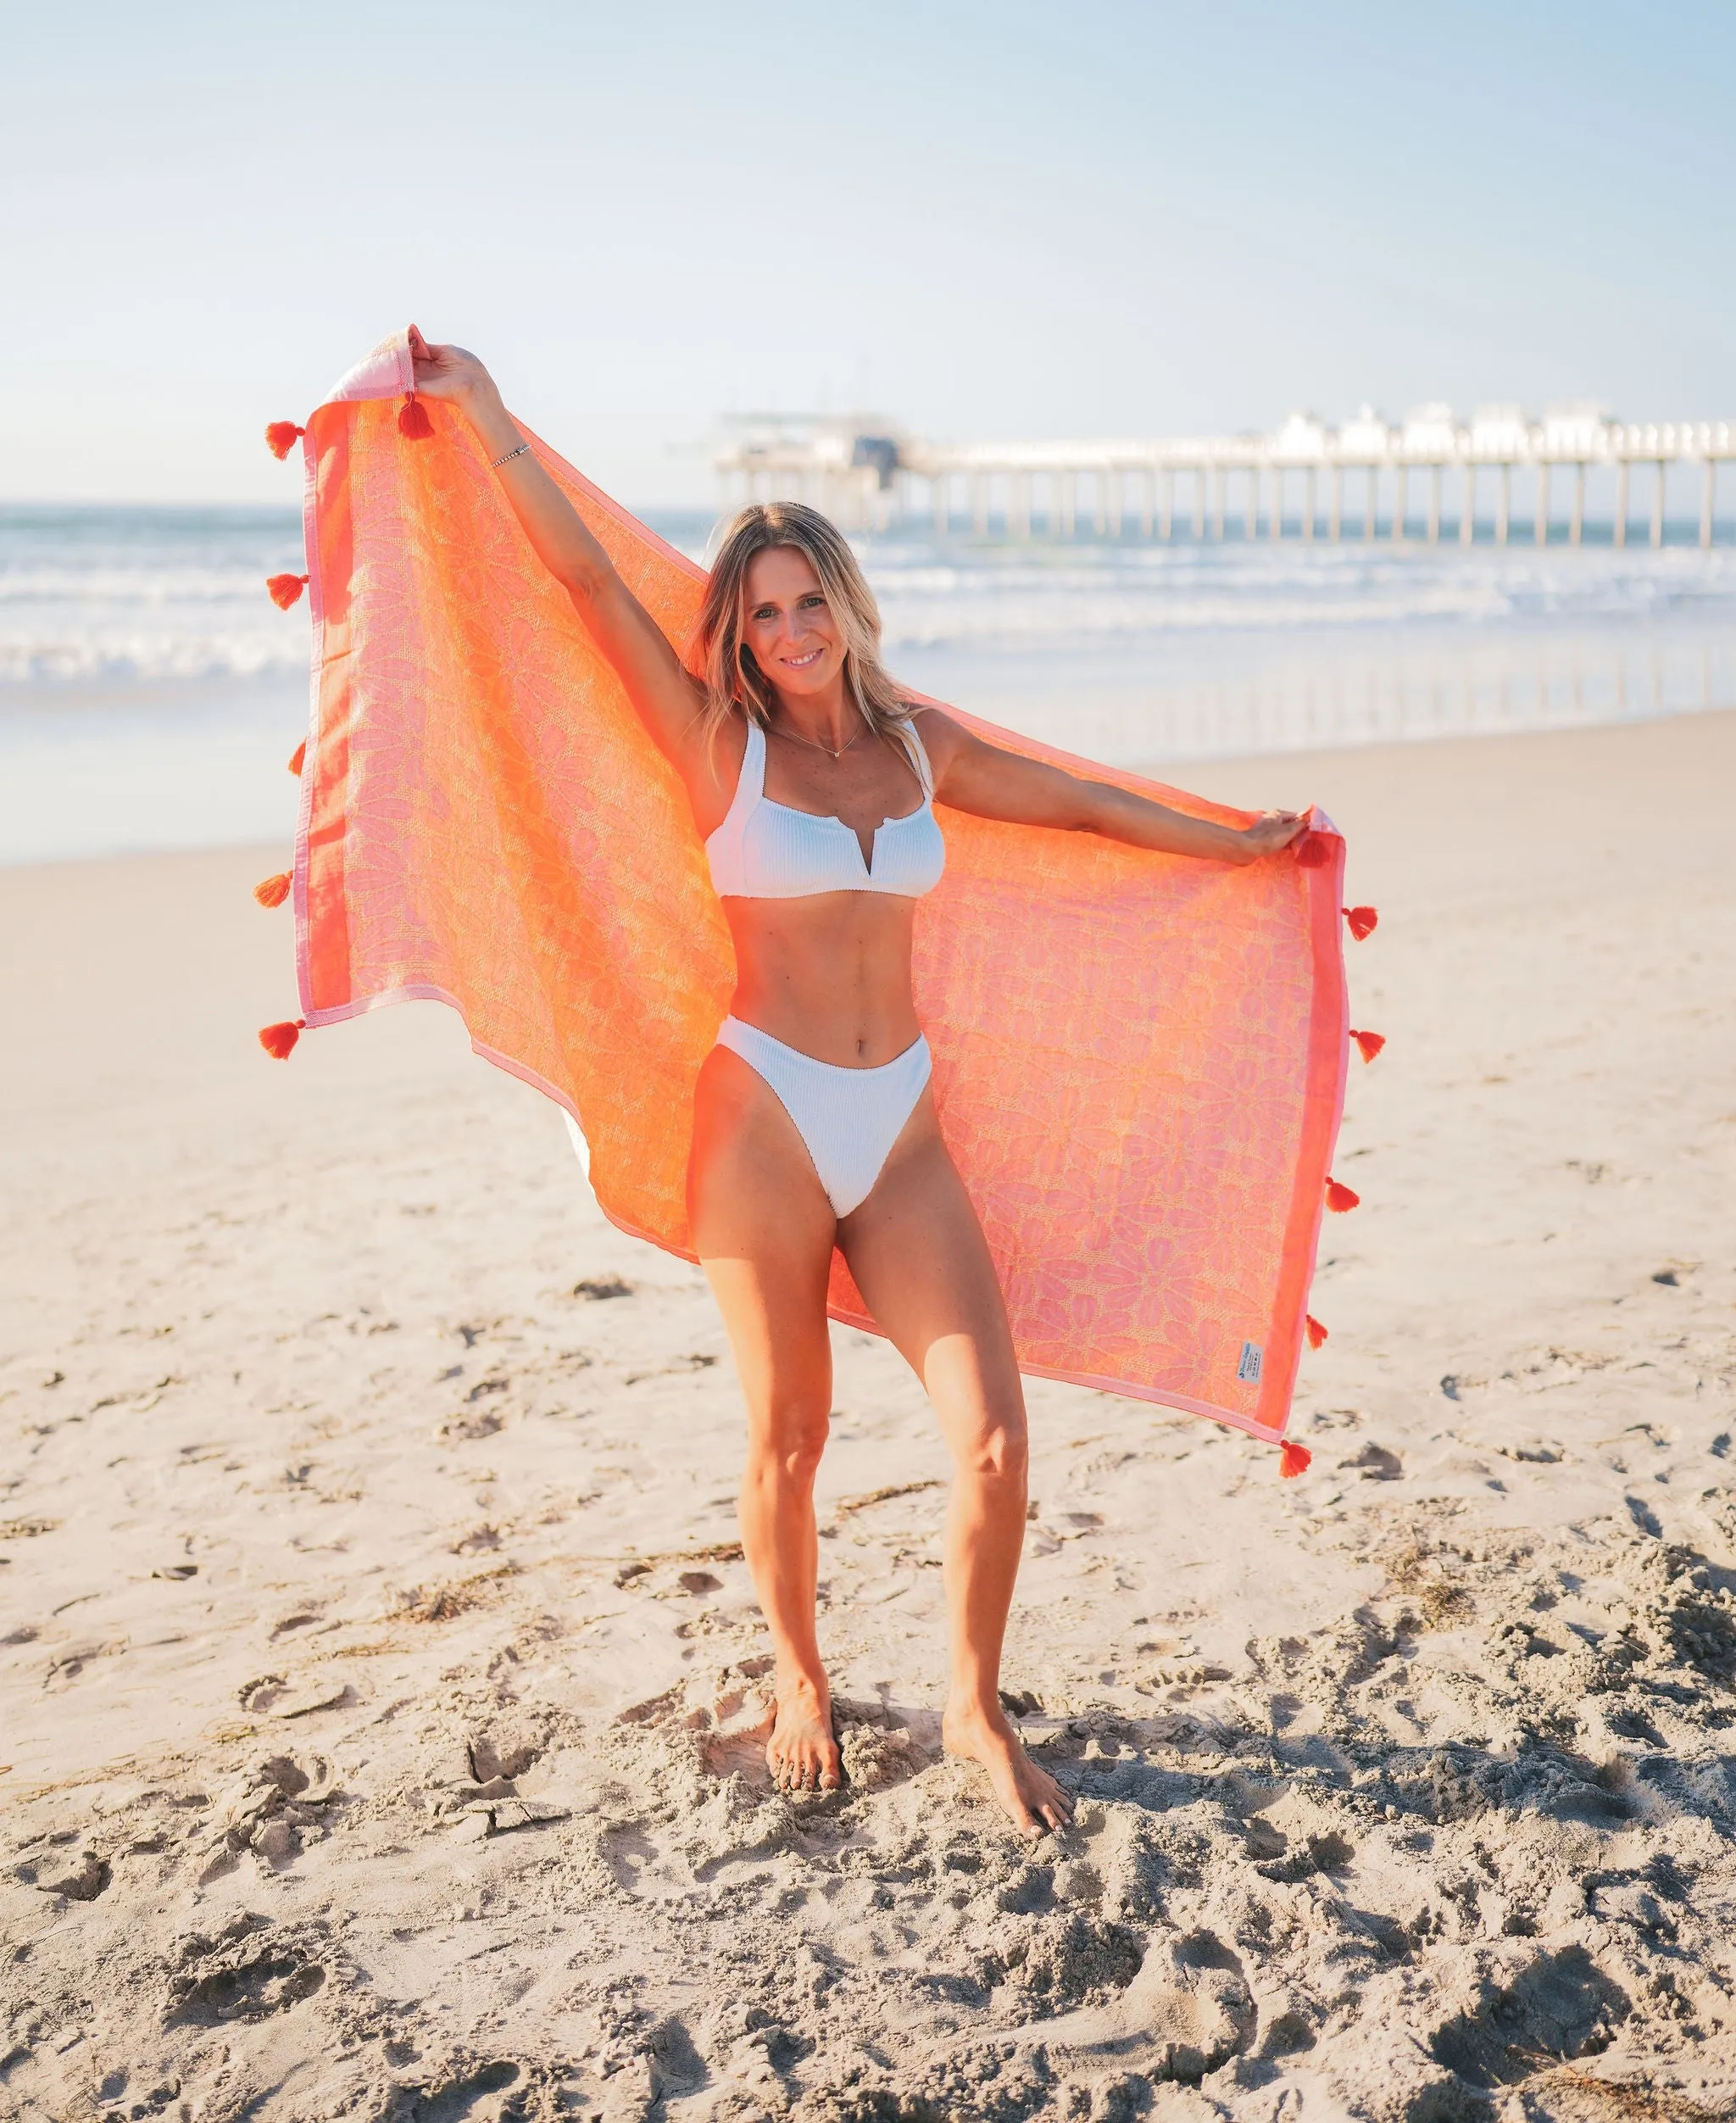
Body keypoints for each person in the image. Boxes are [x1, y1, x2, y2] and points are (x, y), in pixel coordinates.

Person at [406, 328, 1305, 1838]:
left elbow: (1080, 802)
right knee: (787, 1440)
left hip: (900, 1133)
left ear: (844, 602)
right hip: (760, 1116)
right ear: (740, 633)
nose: (789, 630)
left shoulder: (918, 747)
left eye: (808, 599)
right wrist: (491, 415)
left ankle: (971, 1703)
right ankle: (799, 1677)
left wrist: (1236, 846)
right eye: (762, 613)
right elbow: (578, 580)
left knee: (998, 1439)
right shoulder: (715, 748)